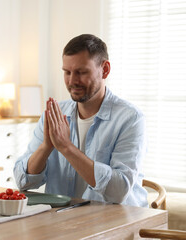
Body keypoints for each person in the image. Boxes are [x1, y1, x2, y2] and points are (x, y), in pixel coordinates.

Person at [13, 34, 148, 207]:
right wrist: (46, 146)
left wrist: (66, 147)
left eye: (81, 72)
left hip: (114, 222)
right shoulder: (55, 114)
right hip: (63, 221)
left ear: (105, 69)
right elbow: (23, 182)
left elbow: (118, 190)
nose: (72, 81)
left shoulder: (130, 119)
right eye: (67, 72)